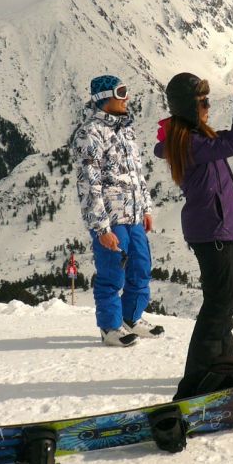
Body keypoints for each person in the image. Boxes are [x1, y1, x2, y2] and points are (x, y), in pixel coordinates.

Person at [154, 72, 233, 396]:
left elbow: (225, 142)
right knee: (219, 304)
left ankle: (224, 367)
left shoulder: (192, 139)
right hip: (213, 229)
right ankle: (196, 379)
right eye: (203, 102)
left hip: (214, 228)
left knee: (225, 301)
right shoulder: (192, 144)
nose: (209, 107)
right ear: (188, 107)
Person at [73, 74, 164, 347]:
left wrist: (145, 208)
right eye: (121, 92)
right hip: (111, 219)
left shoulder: (126, 130)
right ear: (104, 97)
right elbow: (89, 183)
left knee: (141, 268)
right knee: (112, 274)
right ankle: (110, 328)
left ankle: (131, 318)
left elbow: (137, 174)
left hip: (134, 215)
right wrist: (101, 228)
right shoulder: (89, 133)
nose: (127, 97)